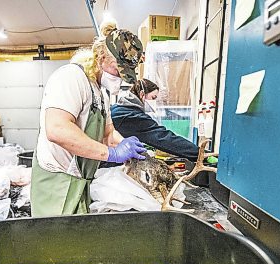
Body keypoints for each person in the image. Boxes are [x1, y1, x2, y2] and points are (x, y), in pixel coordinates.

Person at [31, 21, 147, 217]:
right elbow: (57, 129)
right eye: (117, 70)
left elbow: (108, 133)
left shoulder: (100, 92)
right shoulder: (71, 78)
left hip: (81, 181)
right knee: (54, 244)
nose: (120, 77)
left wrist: (125, 145)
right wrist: (112, 154)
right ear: (102, 57)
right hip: (57, 184)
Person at [111, 78, 201, 162]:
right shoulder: (132, 116)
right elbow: (162, 137)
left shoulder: (120, 108)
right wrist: (198, 153)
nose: (154, 102)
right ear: (142, 94)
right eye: (153, 98)